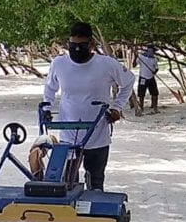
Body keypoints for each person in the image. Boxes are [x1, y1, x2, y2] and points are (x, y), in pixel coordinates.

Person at [42, 22, 135, 191]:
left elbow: (128, 81)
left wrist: (117, 107)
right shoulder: (59, 64)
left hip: (97, 134)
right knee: (67, 182)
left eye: (82, 45)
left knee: (96, 181)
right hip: (68, 134)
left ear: (91, 44)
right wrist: (46, 108)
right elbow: (50, 88)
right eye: (73, 46)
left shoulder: (107, 64)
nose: (77, 50)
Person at [136, 45, 160, 114]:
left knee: (155, 93)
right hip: (143, 77)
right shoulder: (141, 57)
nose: (153, 53)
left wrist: (154, 72)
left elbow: (157, 68)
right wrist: (136, 57)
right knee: (141, 94)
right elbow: (134, 64)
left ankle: (155, 108)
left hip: (151, 77)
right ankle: (141, 108)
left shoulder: (154, 59)